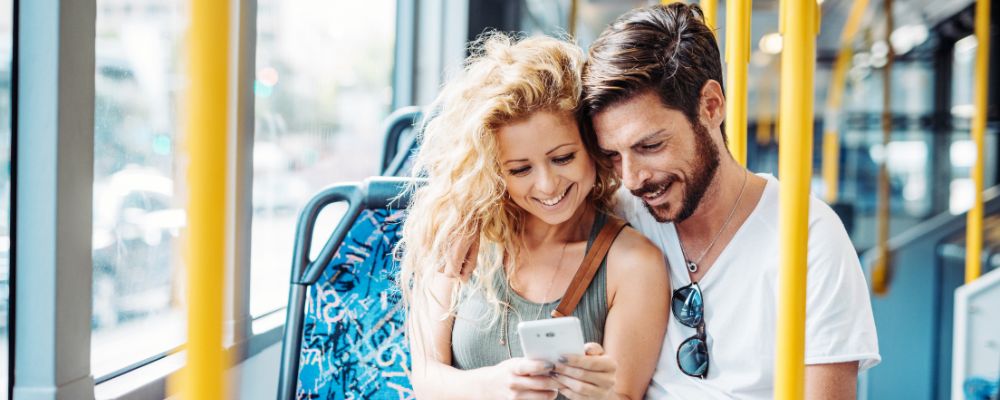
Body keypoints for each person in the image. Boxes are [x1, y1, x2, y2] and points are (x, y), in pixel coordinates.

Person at [581, 3, 881, 399]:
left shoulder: (809, 238)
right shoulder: (618, 214)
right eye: (613, 156)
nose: (633, 178)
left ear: (711, 106)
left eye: (651, 145)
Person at [398, 33, 670, 400]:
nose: (547, 186)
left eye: (562, 158)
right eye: (520, 169)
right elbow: (426, 378)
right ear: (494, 170)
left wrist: (600, 393)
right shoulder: (460, 233)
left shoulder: (634, 264)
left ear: (592, 146)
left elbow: (624, 395)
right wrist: (491, 387)